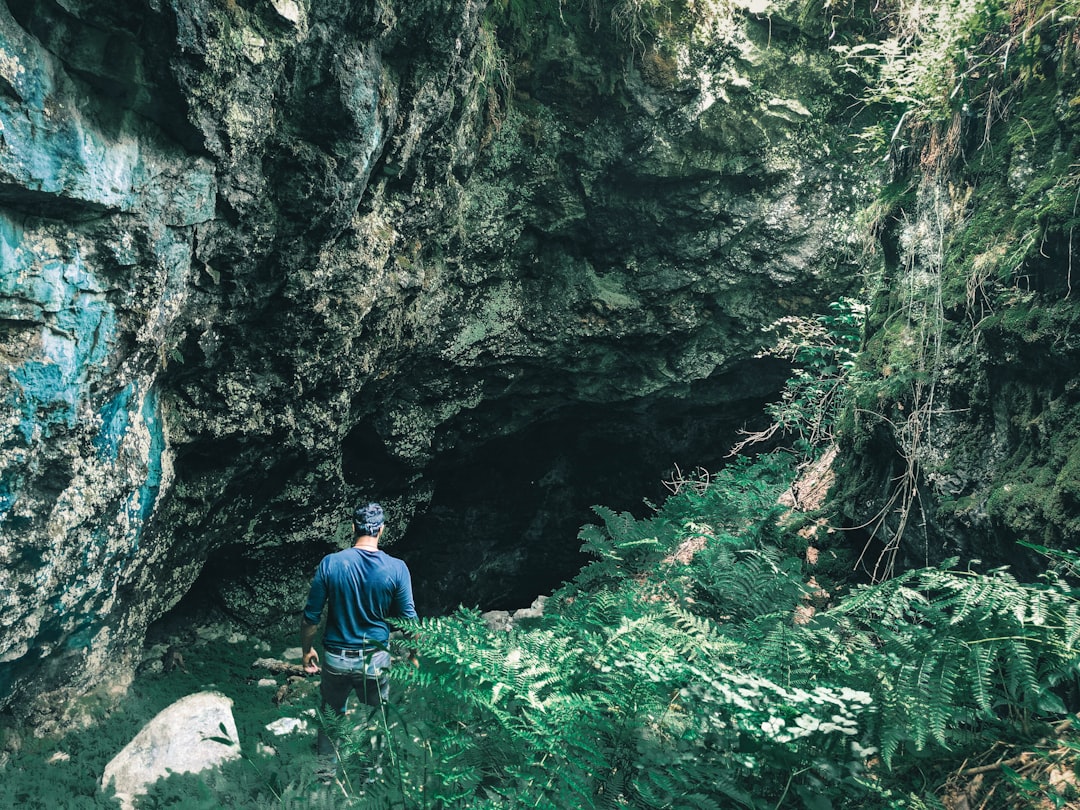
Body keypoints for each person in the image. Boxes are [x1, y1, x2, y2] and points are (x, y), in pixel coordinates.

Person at [301, 502, 417, 760]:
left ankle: (325, 775)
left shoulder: (331, 564)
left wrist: (307, 650)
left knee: (331, 715)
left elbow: (311, 617)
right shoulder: (397, 568)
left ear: (353, 527)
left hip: (336, 659)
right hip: (374, 661)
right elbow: (410, 621)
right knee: (375, 719)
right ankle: (370, 781)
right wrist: (414, 655)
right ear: (382, 530)